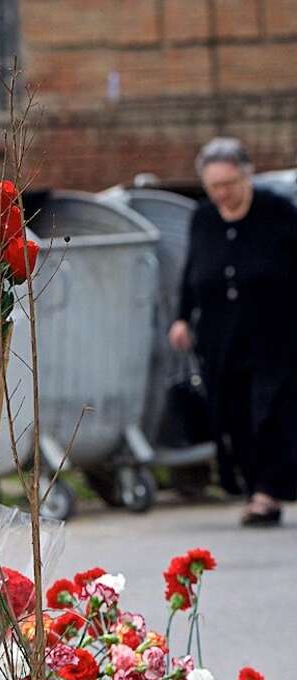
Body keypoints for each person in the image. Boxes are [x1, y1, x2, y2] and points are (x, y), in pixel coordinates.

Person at [167, 136, 297, 527]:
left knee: (270, 411)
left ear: (246, 176)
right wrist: (182, 317)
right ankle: (257, 486)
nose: (223, 193)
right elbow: (192, 273)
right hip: (220, 337)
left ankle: (267, 494)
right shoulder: (203, 218)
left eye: (229, 184)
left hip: (276, 332)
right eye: (215, 186)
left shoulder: (278, 212)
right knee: (234, 413)